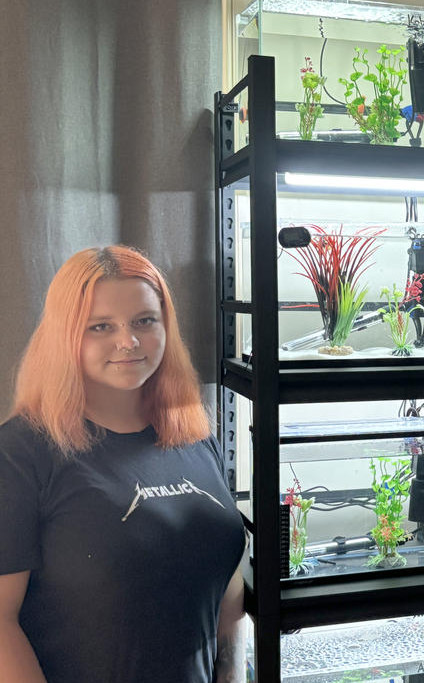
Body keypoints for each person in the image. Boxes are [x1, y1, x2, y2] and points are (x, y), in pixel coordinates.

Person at [0, 246, 246, 682]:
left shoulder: (193, 435)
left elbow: (227, 590)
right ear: (66, 335)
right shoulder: (21, 453)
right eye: (101, 326)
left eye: (144, 321)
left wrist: (233, 675)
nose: (128, 341)